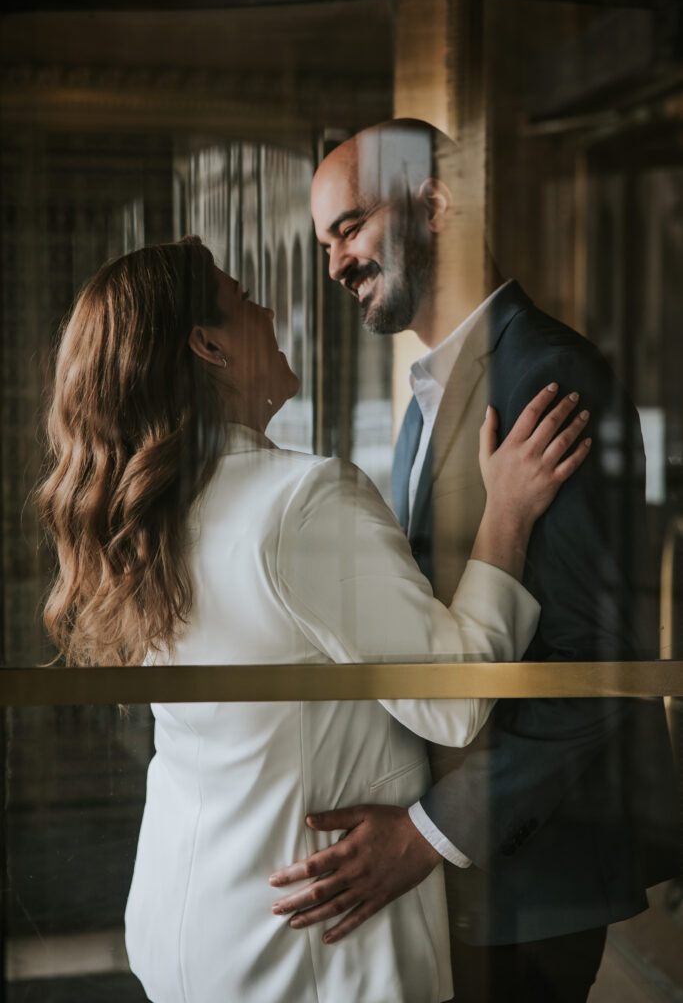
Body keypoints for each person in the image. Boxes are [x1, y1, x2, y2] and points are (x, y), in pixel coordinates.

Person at [37, 236, 589, 1003]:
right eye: (244, 300)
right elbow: (453, 702)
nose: (271, 312)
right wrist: (507, 515)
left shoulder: (141, 517)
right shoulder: (301, 499)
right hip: (303, 945)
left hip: (187, 919)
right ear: (207, 346)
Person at [269, 120, 679, 1003]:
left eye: (349, 227)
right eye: (325, 242)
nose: (334, 264)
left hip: (528, 883)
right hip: (472, 883)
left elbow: (600, 667)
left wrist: (423, 835)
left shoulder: (544, 377)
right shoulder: (429, 395)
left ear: (437, 204)